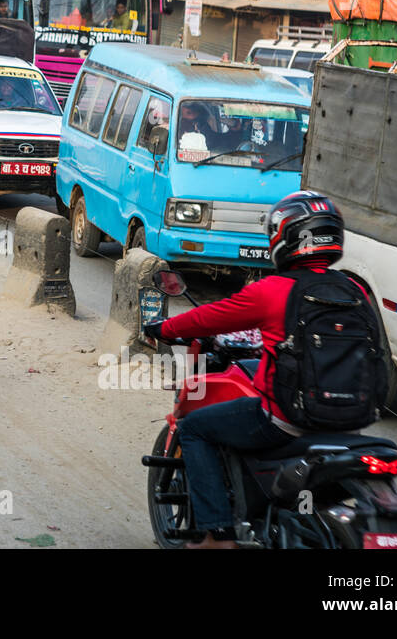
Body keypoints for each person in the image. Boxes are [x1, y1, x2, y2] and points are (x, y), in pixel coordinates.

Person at [142, 190, 358, 548]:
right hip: (350, 419)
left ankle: (218, 537)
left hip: (288, 419)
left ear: (283, 237)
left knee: (195, 429)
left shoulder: (274, 290)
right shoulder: (353, 289)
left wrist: (162, 329)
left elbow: (207, 317)